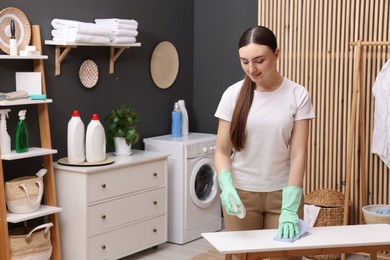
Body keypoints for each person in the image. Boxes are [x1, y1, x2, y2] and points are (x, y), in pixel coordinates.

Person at [214, 25, 315, 258]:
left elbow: (298, 154)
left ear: (276, 54)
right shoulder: (232, 94)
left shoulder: (297, 95)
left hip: (283, 196)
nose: (252, 69)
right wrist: (226, 186)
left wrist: (290, 207)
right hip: (240, 195)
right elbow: (221, 151)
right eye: (244, 61)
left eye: (259, 60)